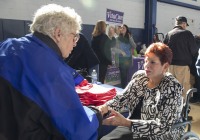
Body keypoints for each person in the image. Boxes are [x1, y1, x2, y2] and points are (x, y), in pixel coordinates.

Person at [0, 4, 104, 140]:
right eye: (74, 37)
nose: (75, 43)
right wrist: (97, 114)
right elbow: (79, 132)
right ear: (58, 34)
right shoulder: (55, 72)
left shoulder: (7, 45)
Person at [99, 43, 184, 140]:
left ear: (165, 66)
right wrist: (104, 108)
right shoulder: (140, 77)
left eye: (152, 62)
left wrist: (126, 122)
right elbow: (122, 99)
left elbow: (163, 126)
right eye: (146, 60)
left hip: (160, 134)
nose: (146, 65)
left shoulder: (172, 87)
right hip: (133, 125)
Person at [163, 15, 199, 98]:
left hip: (170, 66)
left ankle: (172, 106)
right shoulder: (187, 33)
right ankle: (183, 108)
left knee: (171, 87)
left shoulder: (168, 34)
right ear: (184, 24)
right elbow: (194, 50)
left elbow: (163, 50)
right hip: (182, 67)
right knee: (183, 88)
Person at [116, 24, 137, 88]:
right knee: (123, 76)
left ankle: (127, 89)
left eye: (124, 28)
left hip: (128, 59)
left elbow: (134, 46)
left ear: (126, 30)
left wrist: (130, 37)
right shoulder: (118, 38)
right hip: (121, 59)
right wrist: (121, 51)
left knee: (128, 76)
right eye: (121, 28)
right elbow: (115, 49)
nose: (122, 29)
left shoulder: (129, 37)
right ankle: (123, 89)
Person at [189, 34, 200, 103]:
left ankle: (196, 97)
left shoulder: (194, 42)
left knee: (197, 82)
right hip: (195, 65)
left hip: (194, 65)